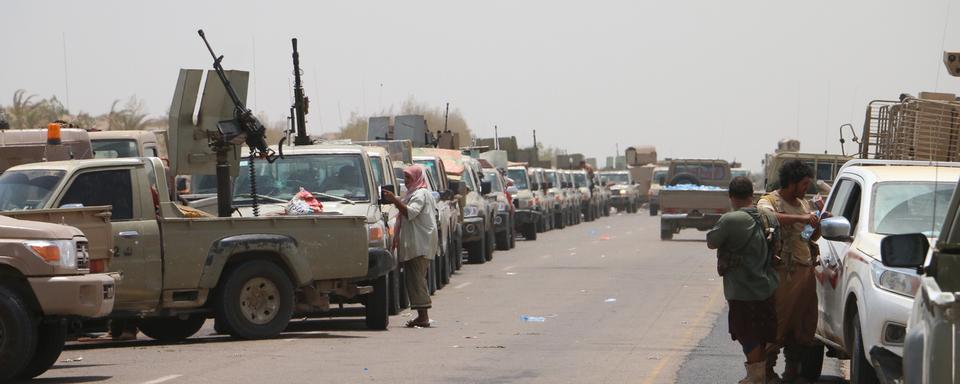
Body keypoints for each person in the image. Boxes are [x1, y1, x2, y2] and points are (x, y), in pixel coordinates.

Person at [707, 176, 780, 384]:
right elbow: (777, 246)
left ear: (731, 197)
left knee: (746, 333)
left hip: (741, 290)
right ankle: (760, 374)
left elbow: (712, 242)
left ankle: (757, 377)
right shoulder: (770, 217)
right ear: (752, 195)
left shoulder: (730, 220)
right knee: (763, 333)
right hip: (767, 286)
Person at [758, 159, 821, 382]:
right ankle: (765, 371)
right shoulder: (769, 201)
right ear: (792, 182)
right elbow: (768, 218)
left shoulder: (803, 204)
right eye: (804, 184)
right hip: (783, 273)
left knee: (803, 324)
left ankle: (792, 372)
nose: (806, 189)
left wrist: (818, 221)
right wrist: (802, 217)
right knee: (778, 322)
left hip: (804, 271)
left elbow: (806, 237)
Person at [382, 165, 439, 328]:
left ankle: (423, 316)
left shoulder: (420, 194)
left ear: (417, 179)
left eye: (409, 178)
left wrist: (394, 200)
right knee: (414, 279)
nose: (406, 181)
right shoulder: (413, 194)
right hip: (417, 243)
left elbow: (410, 213)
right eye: (405, 178)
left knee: (416, 279)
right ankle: (422, 315)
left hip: (420, 244)